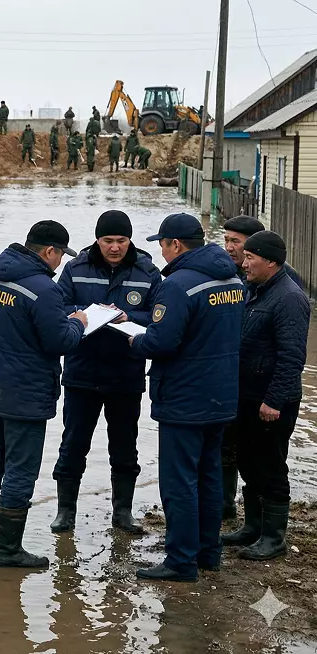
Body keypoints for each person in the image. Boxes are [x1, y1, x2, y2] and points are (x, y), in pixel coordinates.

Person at [129, 213, 243, 582]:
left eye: (162, 244)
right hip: (221, 394)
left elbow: (162, 341)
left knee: (179, 481)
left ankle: (180, 560)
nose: (161, 252)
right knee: (209, 476)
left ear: (176, 245)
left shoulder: (178, 285)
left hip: (184, 397)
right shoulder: (231, 278)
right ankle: (209, 552)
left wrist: (134, 340)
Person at [0, 221, 88, 568]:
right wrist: (78, 322)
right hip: (27, 392)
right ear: (50, 252)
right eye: (61, 256)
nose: (61, 263)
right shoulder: (43, 288)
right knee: (21, 469)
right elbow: (60, 341)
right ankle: (8, 551)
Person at [51, 211, 162, 535]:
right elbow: (58, 308)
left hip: (126, 375)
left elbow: (158, 315)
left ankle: (123, 513)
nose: (115, 247)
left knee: (125, 448)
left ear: (130, 240)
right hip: (81, 374)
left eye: (121, 241)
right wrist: (82, 316)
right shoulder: (75, 268)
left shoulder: (147, 272)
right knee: (73, 445)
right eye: (108, 240)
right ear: (97, 239)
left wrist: (130, 314)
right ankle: (65, 512)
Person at [221, 231, 310, 561]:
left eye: (250, 258)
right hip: (247, 396)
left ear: (271, 261)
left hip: (273, 401)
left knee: (270, 465)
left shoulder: (289, 298)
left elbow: (291, 357)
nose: (244, 264)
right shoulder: (254, 290)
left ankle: (274, 538)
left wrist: (273, 400)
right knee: (248, 461)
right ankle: (253, 527)